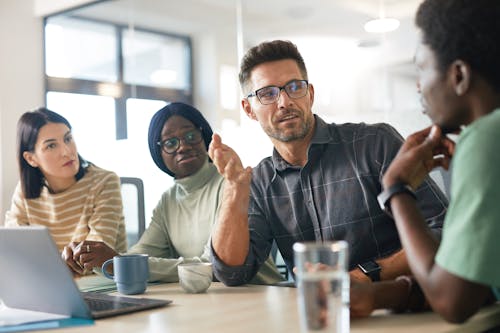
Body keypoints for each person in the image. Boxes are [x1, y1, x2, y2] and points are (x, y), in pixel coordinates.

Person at [208, 39, 448, 287]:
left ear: (310, 94)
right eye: (267, 94)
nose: (284, 102)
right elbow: (232, 273)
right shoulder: (259, 181)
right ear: (248, 109)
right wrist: (235, 188)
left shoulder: (374, 143)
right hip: (316, 315)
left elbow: (444, 229)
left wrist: (366, 275)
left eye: (294, 87)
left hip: (397, 306)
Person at [350, 0, 500, 323]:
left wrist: (395, 189)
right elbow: (477, 286)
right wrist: (379, 294)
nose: (418, 85)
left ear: (458, 75)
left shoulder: (486, 138)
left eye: (421, 67)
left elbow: (452, 301)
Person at [65, 102, 284, 284]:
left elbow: (213, 266)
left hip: (259, 296)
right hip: (211, 304)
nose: (182, 147)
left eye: (190, 136)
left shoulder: (232, 185)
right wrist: (92, 257)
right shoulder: (168, 200)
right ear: (158, 153)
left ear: (204, 136)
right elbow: (142, 253)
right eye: (170, 142)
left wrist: (118, 262)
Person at [5, 108, 127, 259]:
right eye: (51, 145)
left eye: (68, 139)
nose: (67, 151)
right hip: (47, 281)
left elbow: (94, 256)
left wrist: (41, 262)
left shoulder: (104, 182)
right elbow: (14, 250)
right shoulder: (24, 192)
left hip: (100, 281)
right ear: (31, 159)